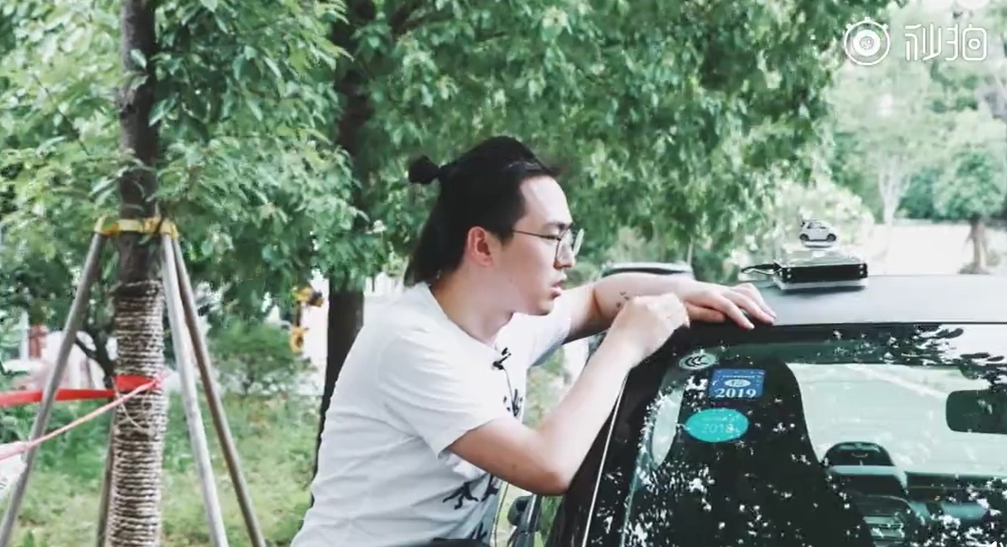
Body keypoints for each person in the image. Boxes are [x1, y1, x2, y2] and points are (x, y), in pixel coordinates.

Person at [290, 136, 777, 547]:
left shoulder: (508, 321)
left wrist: (695, 292)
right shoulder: (412, 344)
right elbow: (547, 466)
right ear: (482, 245)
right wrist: (625, 345)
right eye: (551, 238)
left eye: (569, 238)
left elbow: (599, 297)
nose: (567, 258)